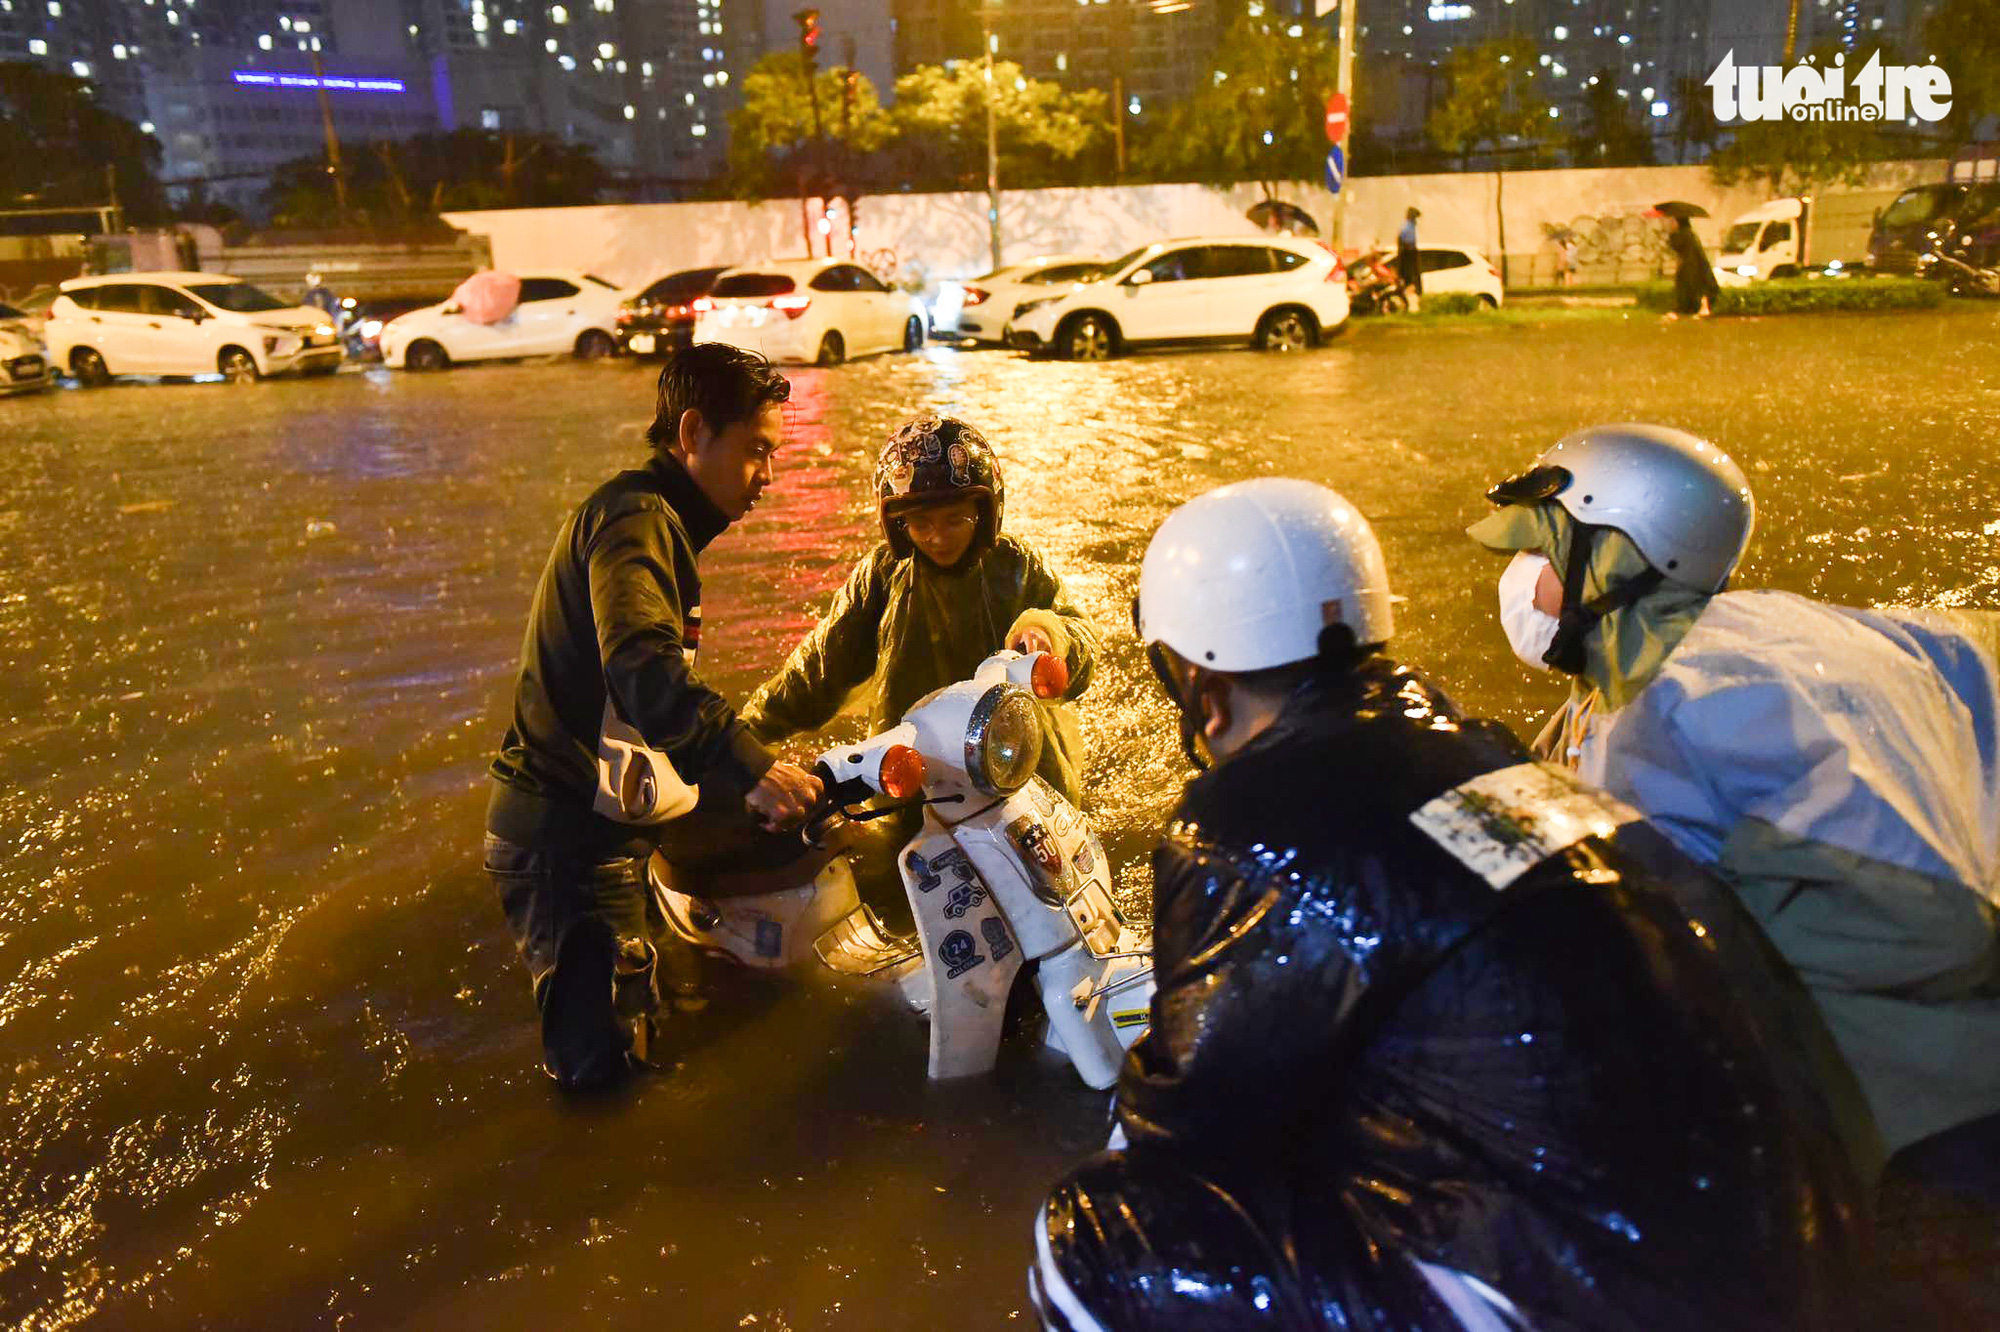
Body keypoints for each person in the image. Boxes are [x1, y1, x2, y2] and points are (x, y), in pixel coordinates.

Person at [1030, 479, 1869, 1332]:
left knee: (1093, 1234)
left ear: (1197, 680)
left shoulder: (1247, 821)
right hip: (1794, 1246)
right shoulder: (1496, 759)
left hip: (1611, 1291)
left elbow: (1188, 1126)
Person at [1469, 423, 2000, 1315]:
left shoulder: (1656, 715)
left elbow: (1615, 952)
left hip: (1895, 1144)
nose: (1520, 582)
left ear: (1620, 561)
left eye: (1544, 554)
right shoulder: (1834, 631)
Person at [483, 343, 824, 1090]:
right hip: (568, 847)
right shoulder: (638, 521)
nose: (768, 477)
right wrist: (752, 768)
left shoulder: (652, 519)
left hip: (594, 832)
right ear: (694, 431)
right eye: (757, 451)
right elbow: (640, 666)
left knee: (636, 1039)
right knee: (601, 1080)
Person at [738, 414, 1096, 922]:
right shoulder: (881, 576)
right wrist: (744, 744)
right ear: (897, 523)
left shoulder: (1019, 566)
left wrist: (1047, 635)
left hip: (1019, 768)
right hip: (914, 775)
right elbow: (818, 670)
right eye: (920, 524)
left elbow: (1080, 636)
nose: (938, 537)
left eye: (955, 519)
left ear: (984, 511)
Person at [1665, 214, 1719, 318]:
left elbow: (1676, 246)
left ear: (1677, 222)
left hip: (1690, 266)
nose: (1670, 224)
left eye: (1672, 221)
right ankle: (1698, 308)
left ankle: (1691, 308)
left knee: (1690, 287)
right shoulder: (1689, 233)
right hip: (1694, 265)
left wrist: (1671, 235)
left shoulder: (1684, 234)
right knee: (1697, 286)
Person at [1395, 206, 1423, 312]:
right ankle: (1409, 306)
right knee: (1409, 278)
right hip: (1408, 254)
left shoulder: (1409, 227)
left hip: (1408, 253)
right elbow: (1406, 243)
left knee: (1410, 278)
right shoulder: (1407, 228)